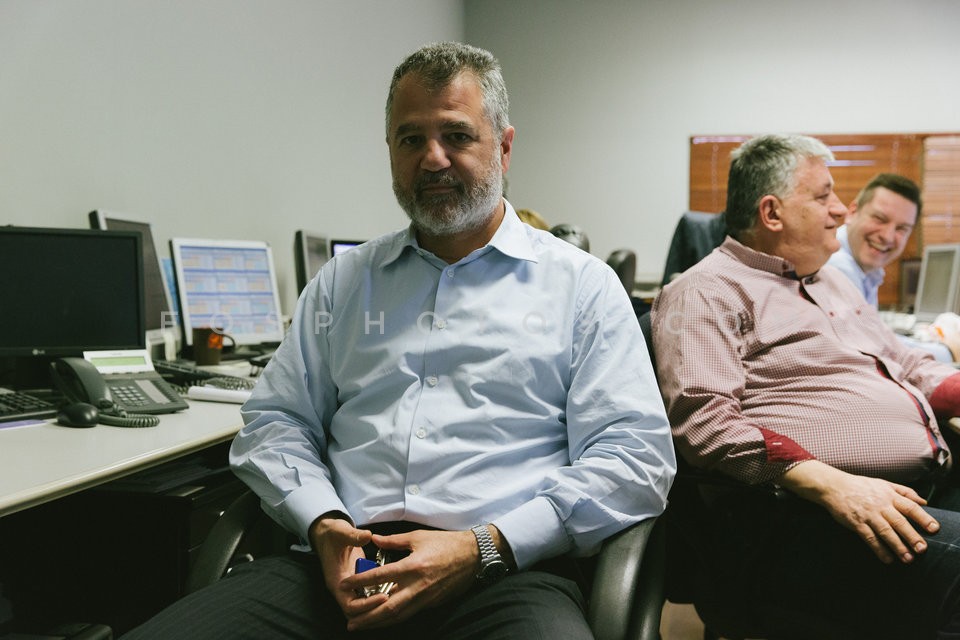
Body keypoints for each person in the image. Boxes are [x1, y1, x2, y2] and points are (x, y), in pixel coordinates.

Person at [122, 42, 675, 639]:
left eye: (457, 136)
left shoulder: (582, 286)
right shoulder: (343, 283)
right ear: (390, 150)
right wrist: (322, 522)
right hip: (339, 568)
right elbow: (277, 422)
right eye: (411, 139)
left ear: (504, 147)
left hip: (502, 574)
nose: (432, 159)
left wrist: (483, 547)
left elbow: (634, 459)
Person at [651, 134, 960, 639]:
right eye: (823, 195)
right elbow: (706, 421)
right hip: (801, 516)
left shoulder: (827, 281)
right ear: (772, 213)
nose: (840, 209)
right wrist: (831, 483)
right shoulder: (705, 291)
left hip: (915, 484)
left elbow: (906, 362)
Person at [827, 173, 958, 362]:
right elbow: (872, 349)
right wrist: (949, 352)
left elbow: (875, 336)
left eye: (901, 229)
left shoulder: (864, 268)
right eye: (880, 219)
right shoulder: (837, 265)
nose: (887, 237)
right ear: (853, 212)